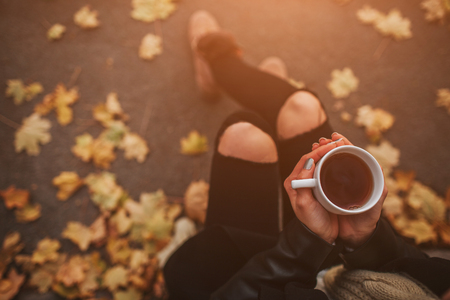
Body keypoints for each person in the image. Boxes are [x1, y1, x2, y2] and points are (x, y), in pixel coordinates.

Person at [163, 10, 450, 300]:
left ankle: (217, 61)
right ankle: (231, 74)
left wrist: (307, 243)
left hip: (267, 278)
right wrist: (364, 240)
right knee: (302, 108)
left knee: (244, 136)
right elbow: (418, 271)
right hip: (343, 254)